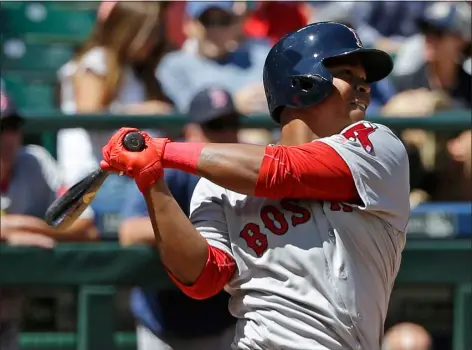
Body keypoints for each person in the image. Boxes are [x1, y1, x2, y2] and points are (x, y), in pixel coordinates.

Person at [101, 22, 410, 350]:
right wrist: (151, 180)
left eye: (364, 80)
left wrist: (163, 152)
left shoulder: (378, 146)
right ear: (302, 82)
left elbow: (285, 171)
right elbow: (203, 277)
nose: (363, 88)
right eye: (347, 73)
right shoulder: (221, 182)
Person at [120, 87, 239, 350]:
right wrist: (198, 233)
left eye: (232, 124)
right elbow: (129, 231)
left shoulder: (242, 175)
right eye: (215, 126)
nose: (226, 135)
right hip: (165, 325)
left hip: (224, 321)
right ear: (191, 132)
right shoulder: (172, 172)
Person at [57, 1, 174, 236]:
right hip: (96, 178)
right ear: (127, 30)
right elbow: (89, 114)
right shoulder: (96, 61)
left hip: (130, 174)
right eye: (147, 33)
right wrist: (144, 111)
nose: (153, 41)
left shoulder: (133, 70)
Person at [0, 90, 96, 350]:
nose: (5, 137)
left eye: (10, 126)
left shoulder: (35, 162)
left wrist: (15, 227)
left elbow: (86, 226)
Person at [157, 1, 270, 115]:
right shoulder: (174, 65)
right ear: (190, 25)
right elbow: (192, 110)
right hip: (213, 130)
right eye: (207, 21)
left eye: (223, 21)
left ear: (234, 24)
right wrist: (234, 104)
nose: (215, 30)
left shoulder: (257, 56)